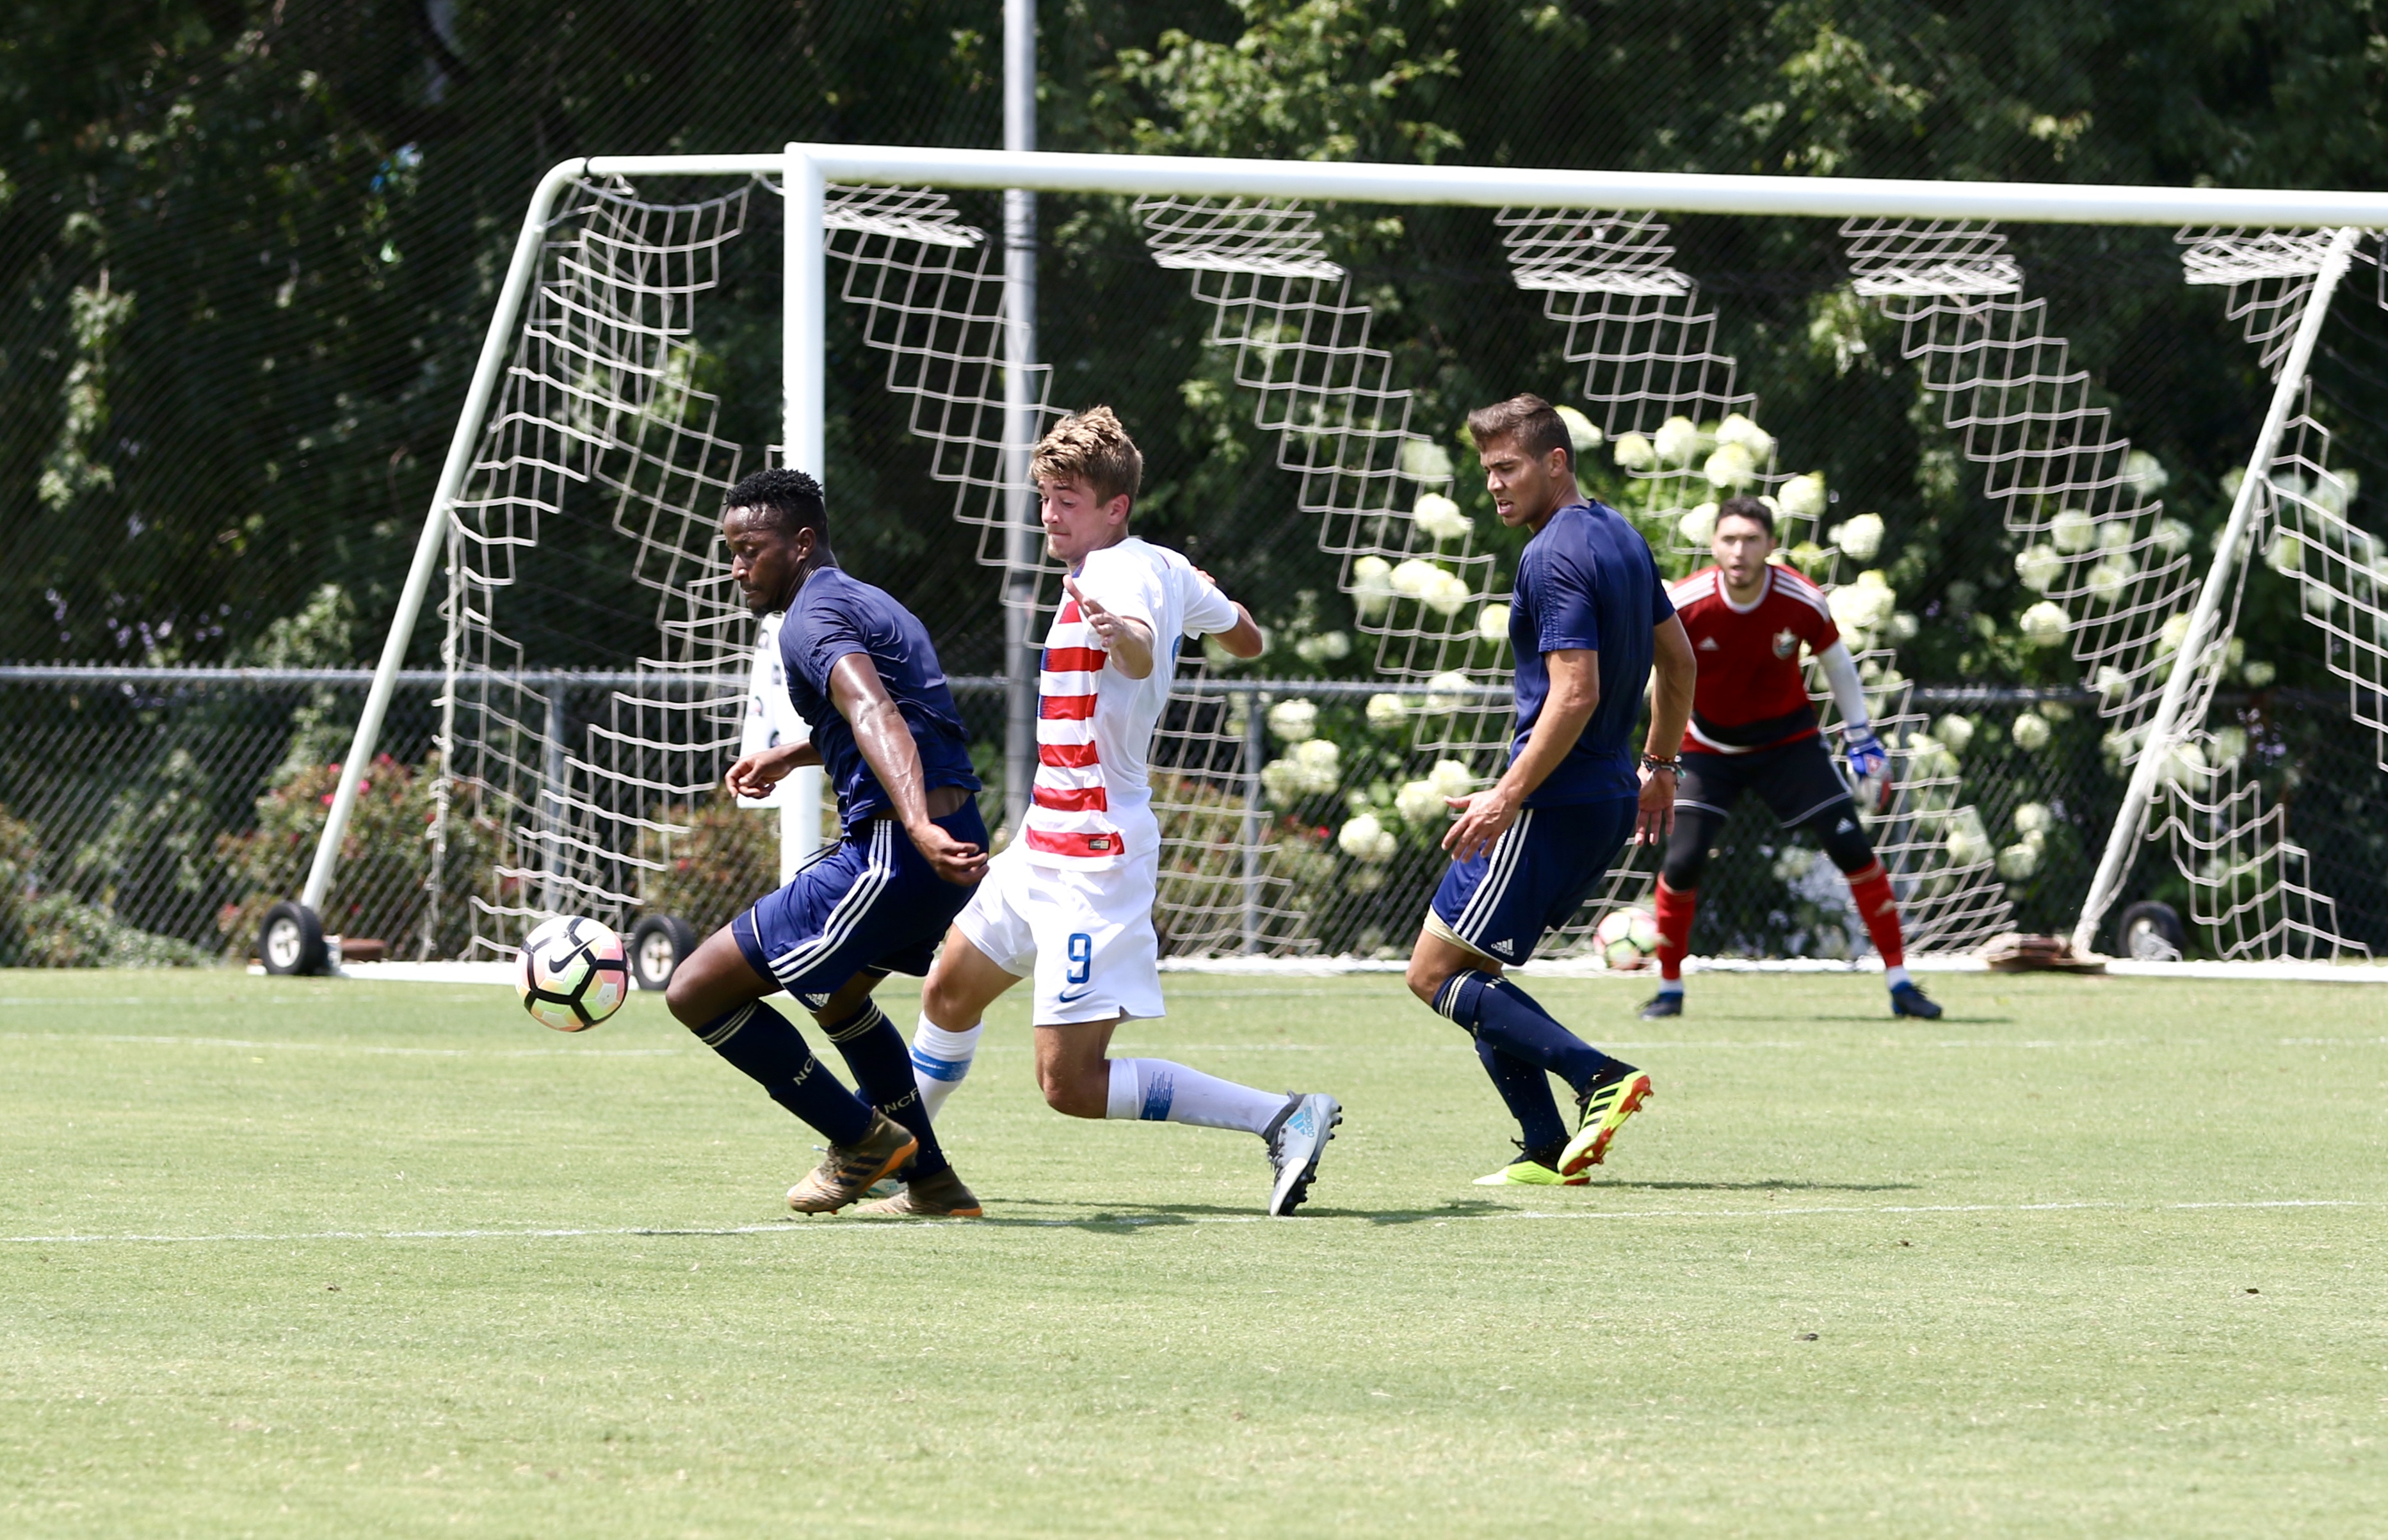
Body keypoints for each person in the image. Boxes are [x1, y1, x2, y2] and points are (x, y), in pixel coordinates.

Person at [901, 407, 1343, 1217]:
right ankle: (904, 1168)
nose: (1050, 515)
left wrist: (1131, 640)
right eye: (1045, 497)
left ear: (1116, 508)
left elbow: (1136, 641)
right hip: (1043, 844)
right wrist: (1194, 612)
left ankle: (1283, 1116)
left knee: (1067, 1085)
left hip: (1093, 857)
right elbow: (1248, 638)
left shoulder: (1121, 572)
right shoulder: (1166, 566)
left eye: (1067, 500)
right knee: (947, 995)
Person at [663, 467, 993, 1219]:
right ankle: (934, 1183)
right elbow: (891, 714)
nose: (738, 567)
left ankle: (862, 1141)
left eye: (752, 550)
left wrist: (911, 824)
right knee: (841, 995)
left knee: (695, 990)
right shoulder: (868, 601)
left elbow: (875, 711)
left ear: (802, 543)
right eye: (732, 552)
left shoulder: (809, 620)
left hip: (896, 848)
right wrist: (797, 753)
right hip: (945, 842)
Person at [1402, 394, 1698, 1189]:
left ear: (1554, 463)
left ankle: (1599, 1076)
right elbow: (1679, 663)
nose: (1494, 485)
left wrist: (1505, 796)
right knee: (1478, 973)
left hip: (1549, 801)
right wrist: (1660, 766)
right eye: (1487, 471)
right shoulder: (1621, 537)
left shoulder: (1552, 555)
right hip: (1599, 798)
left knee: (1432, 974)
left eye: (1508, 468)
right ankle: (1542, 1146)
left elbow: (1575, 693)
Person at [1642, 494, 1943, 1021]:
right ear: (1713, 545)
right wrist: (1654, 754)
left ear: (1771, 546)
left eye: (1751, 540)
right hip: (1708, 748)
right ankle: (1669, 989)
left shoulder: (1800, 598)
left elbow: (1837, 664)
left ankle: (1900, 983)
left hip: (1789, 744)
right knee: (1683, 860)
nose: (1739, 551)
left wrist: (1862, 737)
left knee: (1852, 848)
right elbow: (1651, 678)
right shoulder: (1684, 604)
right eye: (1729, 539)